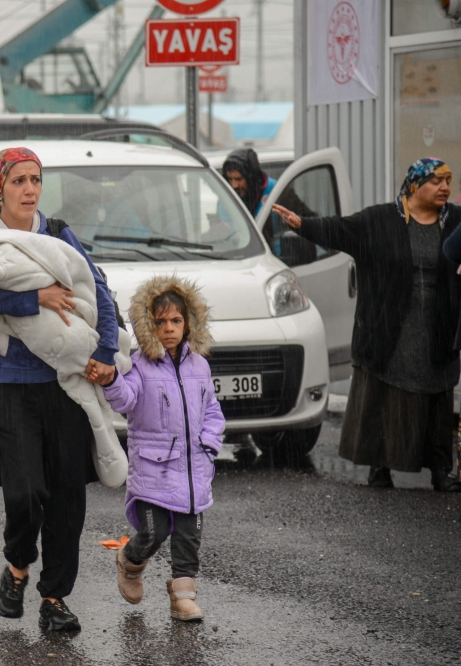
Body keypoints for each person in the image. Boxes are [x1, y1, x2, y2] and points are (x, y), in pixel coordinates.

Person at [0, 147, 121, 632]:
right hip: (8, 387)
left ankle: (53, 599)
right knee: (25, 491)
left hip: (65, 386)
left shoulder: (57, 234)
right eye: (18, 181)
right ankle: (16, 567)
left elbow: (97, 290)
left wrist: (108, 354)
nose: (30, 189)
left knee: (67, 500)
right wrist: (34, 297)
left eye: (35, 180)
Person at [272, 157, 461, 492]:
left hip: (437, 326)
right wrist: (303, 224)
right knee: (384, 397)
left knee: (436, 398)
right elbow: (341, 229)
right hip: (389, 326)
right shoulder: (382, 220)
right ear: (415, 185)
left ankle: (440, 469)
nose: (444, 187)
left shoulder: (455, 221)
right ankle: (380, 467)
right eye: (436, 181)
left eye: (447, 181)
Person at [101, 275, 225, 622]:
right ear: (147, 325)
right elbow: (125, 401)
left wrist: (210, 444)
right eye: (160, 322)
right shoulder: (139, 365)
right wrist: (112, 379)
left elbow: (212, 410)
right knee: (154, 532)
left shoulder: (199, 364)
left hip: (192, 470)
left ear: (188, 323)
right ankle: (130, 561)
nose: (169, 328)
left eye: (176, 321)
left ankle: (183, 596)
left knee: (189, 536)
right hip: (153, 469)